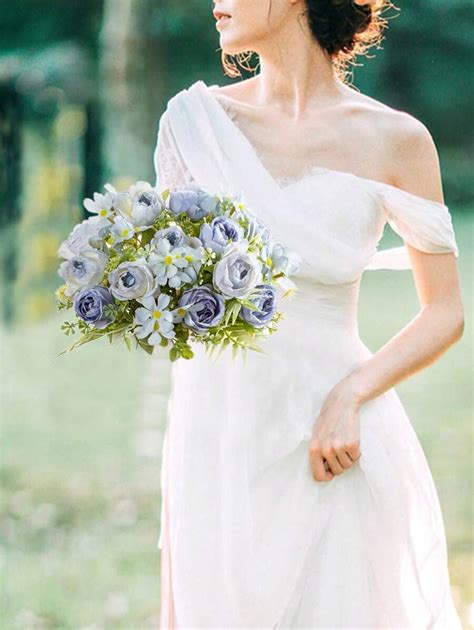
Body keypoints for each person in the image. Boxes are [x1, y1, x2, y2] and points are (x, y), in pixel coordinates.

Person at [153, 1, 465, 627]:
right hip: (220, 432)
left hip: (335, 439)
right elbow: (176, 298)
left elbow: (446, 312)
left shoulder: (395, 138)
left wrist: (352, 394)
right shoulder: (194, 124)